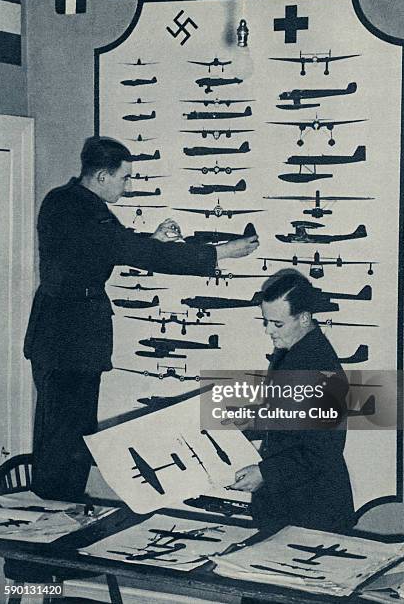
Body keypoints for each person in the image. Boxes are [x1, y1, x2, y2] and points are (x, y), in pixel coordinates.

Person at [24, 136, 259, 501]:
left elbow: (106, 245)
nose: (128, 187)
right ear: (102, 176)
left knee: (72, 434)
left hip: (69, 333)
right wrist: (218, 254)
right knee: (63, 436)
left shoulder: (73, 202)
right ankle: (52, 514)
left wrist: (152, 240)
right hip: (67, 336)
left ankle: (61, 508)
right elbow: (122, 247)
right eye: (124, 178)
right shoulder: (75, 206)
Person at [230, 271, 355, 533]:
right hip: (288, 502)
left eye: (277, 324)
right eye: (265, 322)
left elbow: (322, 452)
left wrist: (266, 473)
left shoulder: (320, 370)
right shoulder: (295, 353)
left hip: (314, 509)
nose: (267, 331)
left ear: (304, 319)